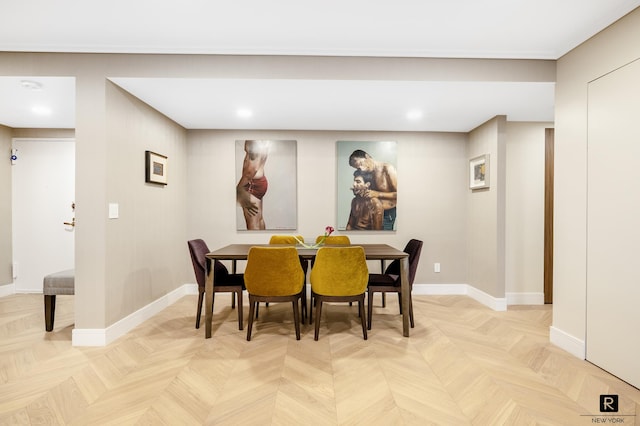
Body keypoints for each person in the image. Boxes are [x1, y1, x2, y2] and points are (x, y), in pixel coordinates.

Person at [348, 149, 397, 230]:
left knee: (381, 238)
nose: (361, 168)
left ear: (367, 156)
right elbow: (367, 192)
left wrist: (377, 194)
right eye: (358, 168)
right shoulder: (366, 173)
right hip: (371, 212)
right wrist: (357, 190)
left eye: (361, 163)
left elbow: (399, 194)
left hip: (387, 214)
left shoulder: (387, 169)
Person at [236, 140, 269, 230]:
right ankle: (262, 244)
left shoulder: (253, 141)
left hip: (251, 184)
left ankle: (255, 244)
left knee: (252, 224)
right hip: (259, 181)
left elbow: (251, 170)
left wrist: (239, 189)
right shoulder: (262, 141)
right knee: (259, 219)